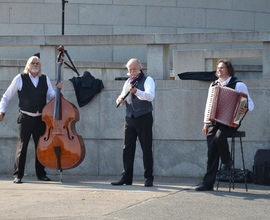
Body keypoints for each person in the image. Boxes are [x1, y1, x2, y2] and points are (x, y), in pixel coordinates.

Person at [0, 56, 61, 184]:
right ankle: (18, 175)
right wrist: (2, 110)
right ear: (28, 65)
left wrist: (58, 91)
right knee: (22, 147)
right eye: (32, 63)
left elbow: (51, 96)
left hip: (40, 118)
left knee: (41, 147)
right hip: (25, 118)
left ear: (40, 66)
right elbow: (6, 96)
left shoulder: (45, 79)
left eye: (37, 63)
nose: (35, 65)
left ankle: (41, 174)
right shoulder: (20, 78)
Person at [196, 59, 254, 191]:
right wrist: (205, 122)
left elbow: (250, 103)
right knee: (211, 153)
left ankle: (227, 162)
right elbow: (209, 106)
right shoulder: (213, 85)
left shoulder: (238, 85)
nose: (219, 70)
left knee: (219, 137)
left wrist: (245, 108)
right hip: (214, 121)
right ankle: (208, 184)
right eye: (218, 68)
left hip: (230, 122)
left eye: (222, 68)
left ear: (228, 70)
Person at [111, 58, 155, 187]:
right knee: (127, 148)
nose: (132, 72)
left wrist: (137, 92)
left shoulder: (148, 80)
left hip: (144, 116)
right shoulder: (128, 81)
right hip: (129, 117)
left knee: (146, 148)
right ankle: (126, 177)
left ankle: (148, 178)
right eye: (129, 69)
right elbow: (122, 95)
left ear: (140, 67)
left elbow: (150, 96)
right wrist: (119, 100)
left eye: (134, 69)